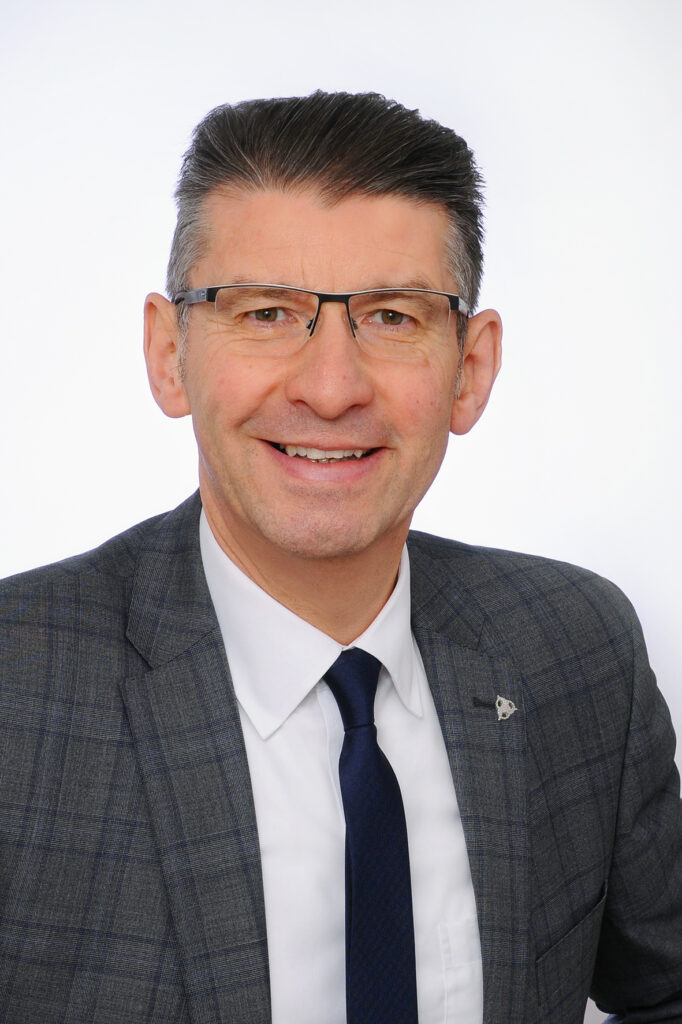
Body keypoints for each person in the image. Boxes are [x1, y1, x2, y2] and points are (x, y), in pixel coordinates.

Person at [1, 91, 680, 1024]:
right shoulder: (17, 686)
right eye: (266, 312)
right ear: (168, 353)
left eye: (393, 317)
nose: (330, 389)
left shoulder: (577, 650)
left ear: (470, 369)